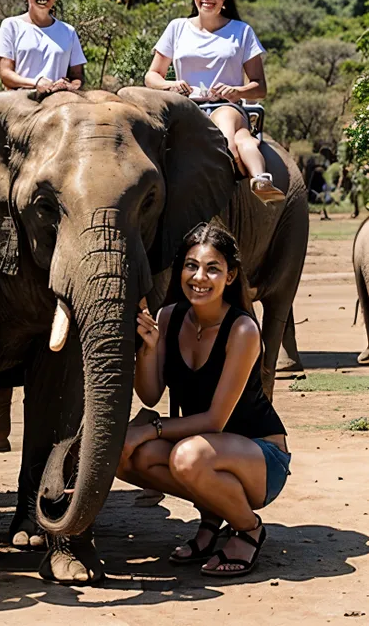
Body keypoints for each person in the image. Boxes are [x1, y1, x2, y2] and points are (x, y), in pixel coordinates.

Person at [117, 223, 291, 577]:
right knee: (127, 457)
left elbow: (215, 422)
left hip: (260, 458)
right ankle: (212, 518)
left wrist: (150, 429)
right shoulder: (169, 317)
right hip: (201, 451)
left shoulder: (242, 330)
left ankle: (248, 528)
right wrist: (148, 349)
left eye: (213, 268)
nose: (200, 277)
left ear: (230, 277)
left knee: (185, 456)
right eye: (191, 265)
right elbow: (149, 393)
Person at [144, 0, 285, 205]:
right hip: (185, 106)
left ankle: (258, 181)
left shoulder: (242, 32)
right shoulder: (176, 28)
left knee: (227, 132)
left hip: (226, 106)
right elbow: (152, 76)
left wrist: (236, 91)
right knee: (243, 140)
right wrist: (171, 85)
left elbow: (259, 86)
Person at [0, 0, 86, 94]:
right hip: (21, 104)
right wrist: (36, 83)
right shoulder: (11, 26)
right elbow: (5, 74)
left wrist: (69, 86)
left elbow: (77, 76)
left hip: (58, 106)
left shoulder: (68, 32)